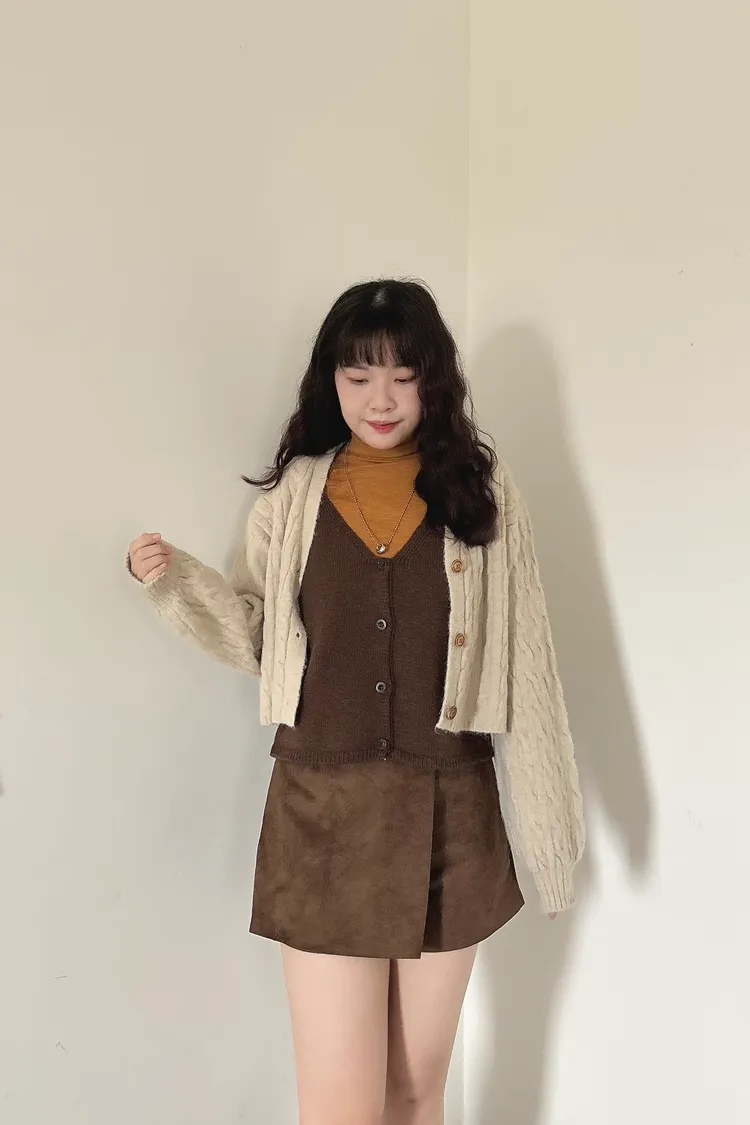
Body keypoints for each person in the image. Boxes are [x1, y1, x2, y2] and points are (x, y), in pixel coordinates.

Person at [126, 278, 585, 1125]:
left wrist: (554, 830)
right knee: (341, 1106)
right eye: (359, 373)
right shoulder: (296, 493)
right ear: (330, 378)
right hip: (323, 820)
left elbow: (527, 657)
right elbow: (261, 634)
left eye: (404, 375)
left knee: (415, 1092)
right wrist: (176, 583)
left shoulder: (481, 488)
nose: (381, 398)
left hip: (454, 816)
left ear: (434, 380)